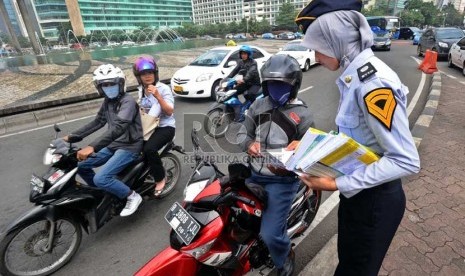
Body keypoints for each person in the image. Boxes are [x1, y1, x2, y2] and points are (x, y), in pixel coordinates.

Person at [295, 1, 421, 275]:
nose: (315, 56)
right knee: (350, 264)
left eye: (318, 47)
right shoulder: (353, 77)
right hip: (360, 197)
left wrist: (336, 182)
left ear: (336, 39)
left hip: (374, 203)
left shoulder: (372, 84)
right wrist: (305, 148)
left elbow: (406, 160)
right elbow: (355, 137)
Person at [237, 54, 315, 276]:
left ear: (293, 85)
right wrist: (249, 143)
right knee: (236, 216)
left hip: (281, 180)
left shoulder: (302, 114)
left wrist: (301, 146)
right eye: (272, 84)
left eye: (281, 85)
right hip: (254, 173)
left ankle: (284, 257)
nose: (276, 89)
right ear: (265, 85)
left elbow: (312, 149)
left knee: (270, 234)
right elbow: (243, 132)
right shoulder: (258, 105)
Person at [65, 64, 144, 217]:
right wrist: (72, 136)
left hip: (129, 147)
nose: (109, 87)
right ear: (100, 88)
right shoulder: (108, 102)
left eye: (112, 84)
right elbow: (98, 122)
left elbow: (119, 127)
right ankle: (105, 194)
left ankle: (132, 196)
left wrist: (92, 147)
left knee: (101, 178)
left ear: (120, 84)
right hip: (113, 144)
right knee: (81, 166)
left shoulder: (128, 102)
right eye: (105, 85)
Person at [133, 55, 175, 198]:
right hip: (148, 127)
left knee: (149, 149)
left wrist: (158, 96)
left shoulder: (163, 88)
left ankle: (160, 179)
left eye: (150, 73)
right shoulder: (141, 89)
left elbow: (169, 112)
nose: (147, 76)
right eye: (143, 74)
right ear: (139, 76)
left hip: (165, 127)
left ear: (155, 73)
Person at [224, 45, 261, 121]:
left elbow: (251, 72)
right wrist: (227, 78)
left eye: (245, 54)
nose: (243, 55)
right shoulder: (240, 62)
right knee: (233, 91)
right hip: (245, 83)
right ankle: (236, 108)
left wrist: (244, 79)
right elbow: (235, 70)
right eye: (242, 54)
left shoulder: (253, 62)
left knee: (249, 94)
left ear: (249, 54)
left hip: (254, 83)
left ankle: (253, 109)